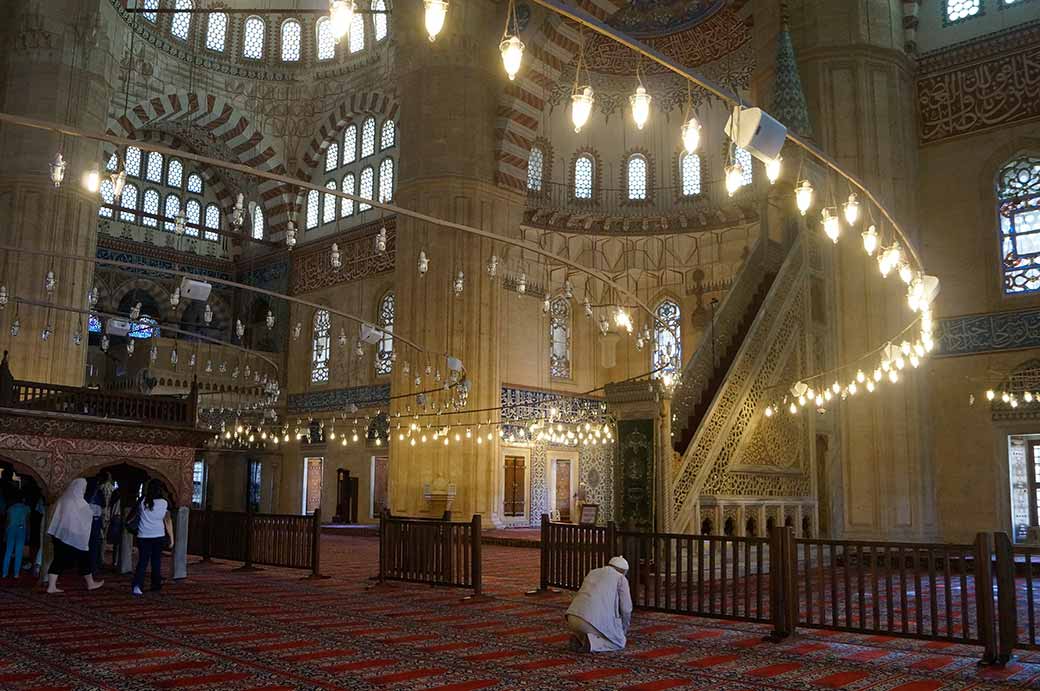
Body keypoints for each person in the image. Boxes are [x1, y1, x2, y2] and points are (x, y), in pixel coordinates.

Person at [46, 478, 104, 593]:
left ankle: (51, 586)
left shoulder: (63, 498)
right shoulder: (78, 501)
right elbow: (89, 514)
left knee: (58, 559)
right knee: (84, 559)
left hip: (60, 534)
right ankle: (90, 583)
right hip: (75, 536)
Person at [565, 556, 633, 653]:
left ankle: (580, 640)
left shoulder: (593, 572)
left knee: (600, 629)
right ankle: (592, 644)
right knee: (619, 641)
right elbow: (626, 608)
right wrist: (624, 629)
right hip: (591, 622)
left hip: (571, 617)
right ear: (624, 571)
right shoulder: (620, 578)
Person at [131, 479, 173, 596]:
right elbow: (168, 521)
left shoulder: (142, 501)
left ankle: (137, 586)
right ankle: (155, 585)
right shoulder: (164, 503)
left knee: (142, 562)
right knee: (156, 561)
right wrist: (172, 538)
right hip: (158, 535)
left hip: (143, 536)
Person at [2, 489, 28, 579]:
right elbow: (27, 522)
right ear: (23, 498)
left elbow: (7, 521)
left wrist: (5, 533)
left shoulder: (11, 508)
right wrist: (28, 533)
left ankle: (4, 573)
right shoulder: (26, 508)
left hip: (11, 530)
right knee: (19, 552)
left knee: (8, 551)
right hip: (21, 530)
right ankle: (16, 573)